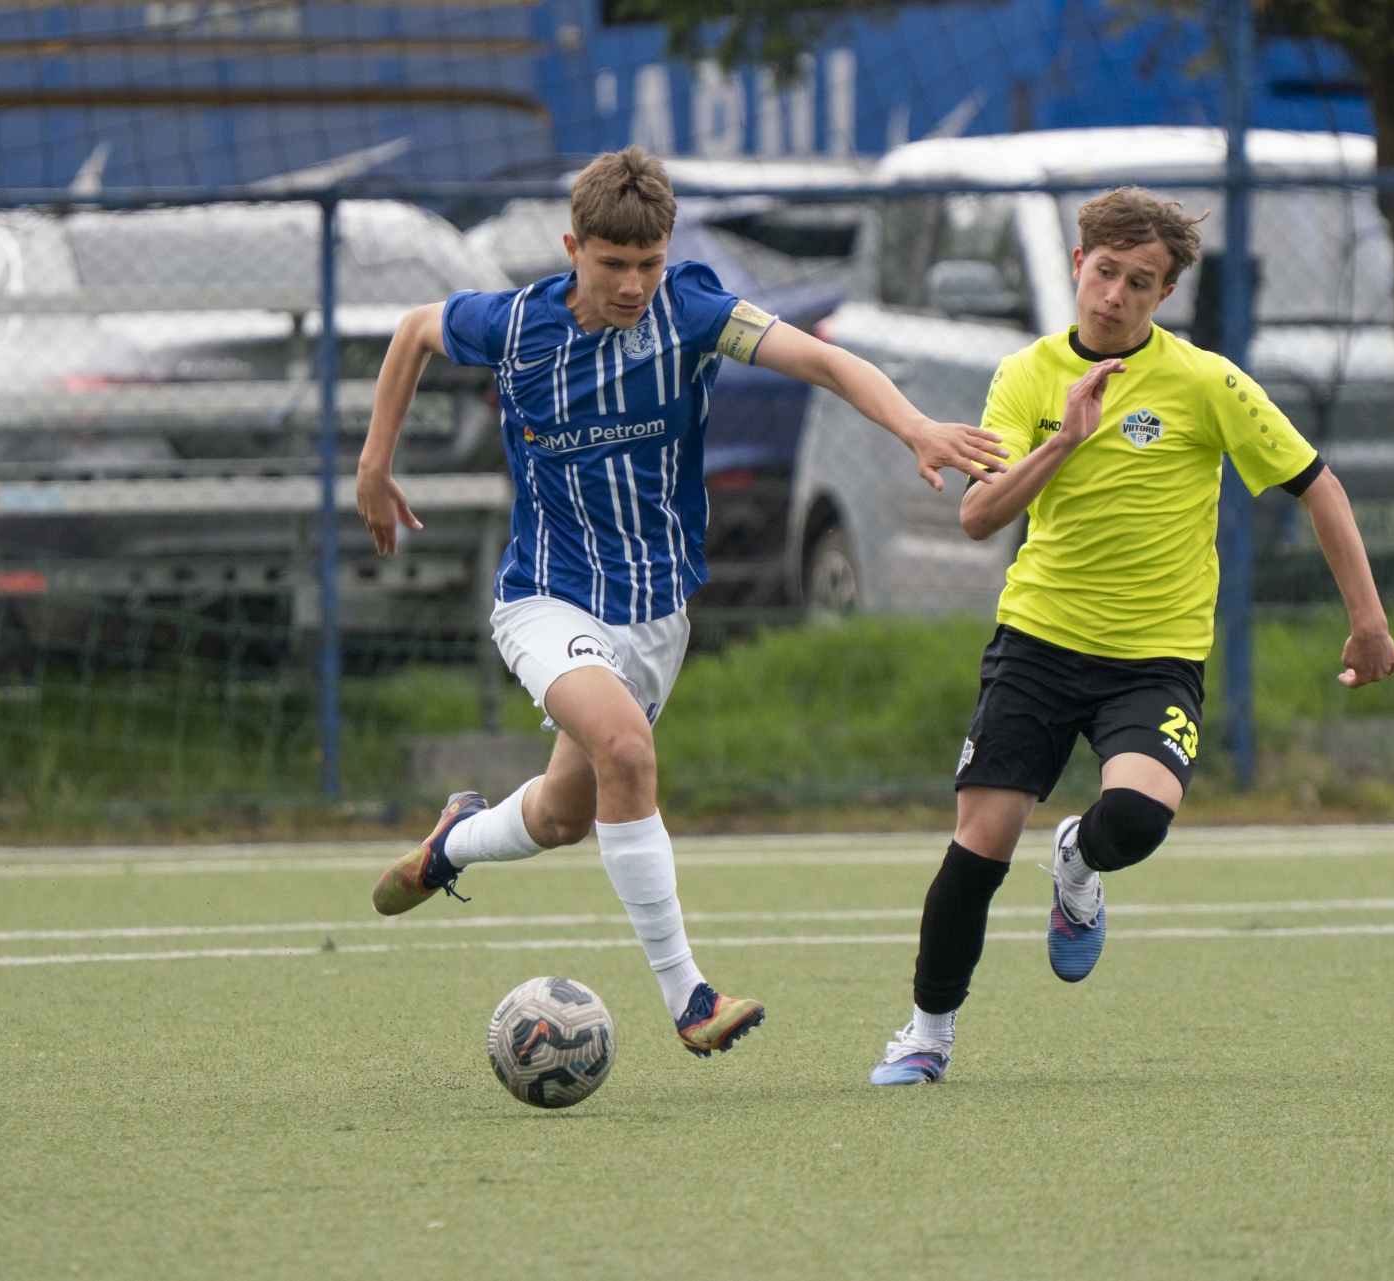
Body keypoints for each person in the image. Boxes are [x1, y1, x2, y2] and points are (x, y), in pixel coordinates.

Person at [354, 147, 1007, 1060]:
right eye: (612, 264)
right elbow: (415, 330)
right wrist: (375, 462)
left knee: (563, 815)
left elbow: (822, 359)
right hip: (545, 598)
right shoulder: (514, 324)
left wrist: (916, 426)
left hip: (656, 616)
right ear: (573, 249)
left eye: (649, 262)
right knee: (626, 746)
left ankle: (454, 842)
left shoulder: (692, 313)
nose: (632, 284)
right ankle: (689, 995)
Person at [868, 187, 1394, 1086]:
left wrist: (1369, 619)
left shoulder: (1206, 382)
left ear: (1165, 295)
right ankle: (926, 1034)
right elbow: (978, 517)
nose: (1115, 295)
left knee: (1140, 819)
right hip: (1038, 645)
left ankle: (1077, 860)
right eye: (1105, 272)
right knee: (981, 843)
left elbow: (1320, 485)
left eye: (1140, 282)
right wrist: (1064, 440)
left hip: (1154, 660)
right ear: (1079, 264)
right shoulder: (1027, 375)